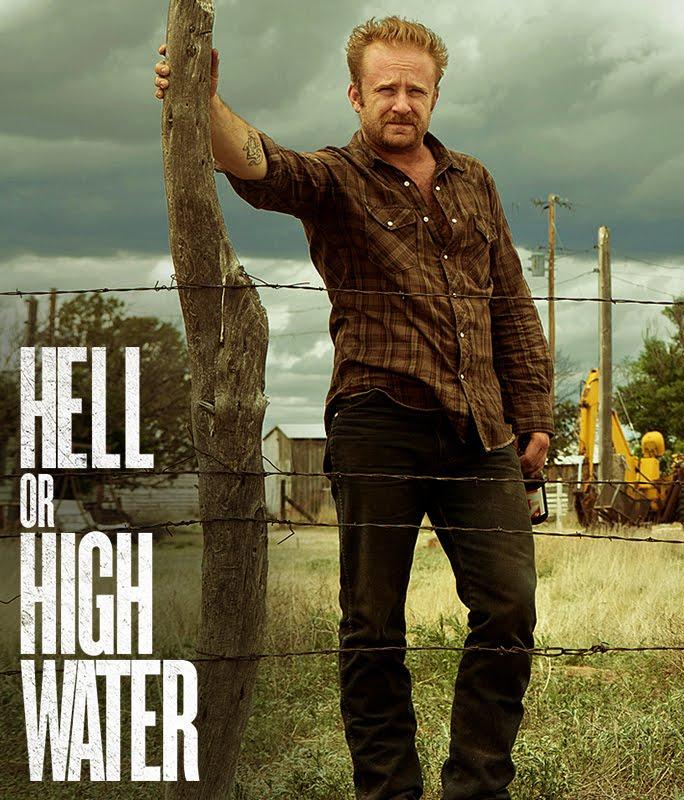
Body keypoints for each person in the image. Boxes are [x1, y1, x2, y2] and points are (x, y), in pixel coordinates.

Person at [155, 17, 552, 799]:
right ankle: (388, 790)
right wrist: (205, 101)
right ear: (356, 95)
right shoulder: (336, 178)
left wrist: (533, 410)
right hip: (379, 421)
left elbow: (509, 296)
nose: (401, 102)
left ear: (435, 94)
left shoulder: (474, 179)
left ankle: (478, 787)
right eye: (385, 89)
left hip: (480, 428)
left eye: (415, 88)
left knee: (509, 609)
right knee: (373, 627)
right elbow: (259, 165)